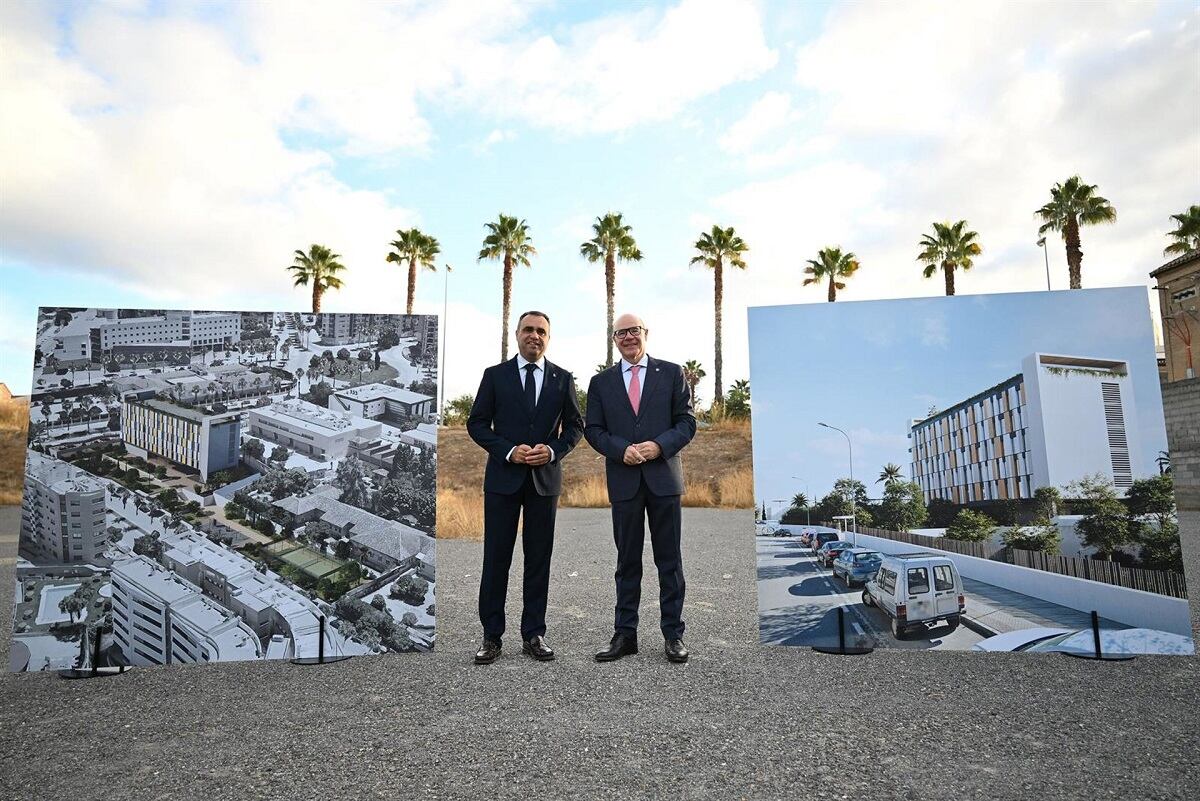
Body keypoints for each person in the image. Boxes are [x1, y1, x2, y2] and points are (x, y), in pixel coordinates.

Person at [466, 310, 584, 664]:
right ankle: (491, 637)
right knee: (496, 558)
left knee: (538, 560)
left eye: (542, 332)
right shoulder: (495, 376)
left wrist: (551, 451)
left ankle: (534, 633)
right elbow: (477, 423)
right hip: (503, 480)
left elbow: (576, 427)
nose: (535, 336)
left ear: (549, 338)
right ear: (517, 334)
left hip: (544, 483)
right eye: (529, 330)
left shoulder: (563, 379)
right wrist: (507, 450)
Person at [584, 313, 697, 663]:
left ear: (646, 334)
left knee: (669, 561)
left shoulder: (672, 373)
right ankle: (625, 635)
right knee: (626, 561)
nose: (629, 337)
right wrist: (622, 450)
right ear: (614, 339)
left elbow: (687, 422)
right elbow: (594, 429)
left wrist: (659, 446)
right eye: (622, 333)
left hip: (663, 479)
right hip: (624, 480)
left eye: (634, 331)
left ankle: (673, 635)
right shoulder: (601, 382)